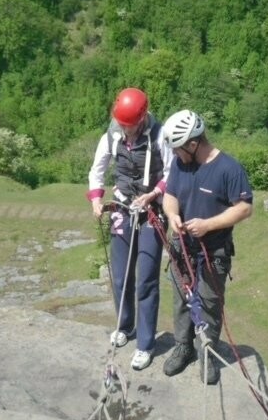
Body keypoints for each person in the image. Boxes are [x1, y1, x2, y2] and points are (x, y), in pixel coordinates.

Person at [161, 109, 253, 384]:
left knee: (209, 304)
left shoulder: (229, 169)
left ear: (193, 144)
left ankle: (207, 353)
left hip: (212, 252)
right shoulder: (180, 165)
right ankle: (184, 346)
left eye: (178, 148)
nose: (175, 154)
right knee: (181, 300)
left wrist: (208, 225)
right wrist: (173, 215)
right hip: (182, 248)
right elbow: (170, 197)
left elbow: (244, 208)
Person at [87, 88, 173, 370]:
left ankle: (146, 344)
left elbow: (173, 172)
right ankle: (125, 327)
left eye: (131, 125)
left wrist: (153, 194)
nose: (126, 131)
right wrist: (97, 198)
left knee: (146, 278)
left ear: (143, 117)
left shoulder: (160, 136)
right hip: (123, 208)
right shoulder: (112, 135)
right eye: (122, 125)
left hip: (152, 211)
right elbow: (98, 169)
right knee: (122, 276)